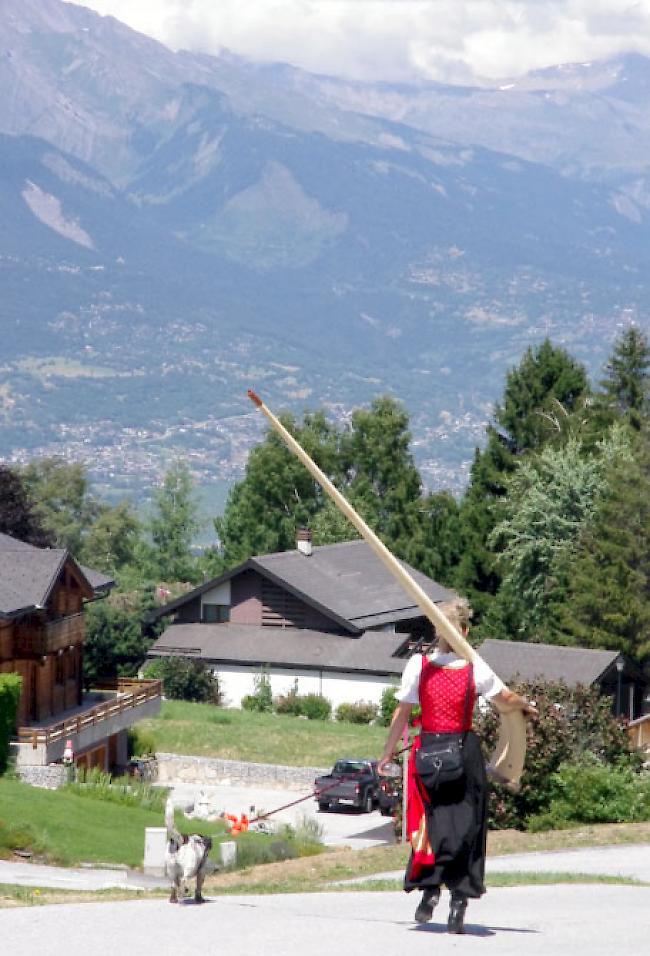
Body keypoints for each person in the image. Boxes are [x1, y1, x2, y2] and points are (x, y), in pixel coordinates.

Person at [378, 601, 537, 934]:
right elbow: (505, 699)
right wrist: (524, 704)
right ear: (464, 632)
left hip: (428, 753)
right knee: (466, 826)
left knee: (430, 825)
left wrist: (387, 754)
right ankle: (458, 905)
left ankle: (430, 891)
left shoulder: (417, 665)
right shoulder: (475, 667)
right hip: (462, 753)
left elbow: (402, 715)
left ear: (439, 632)